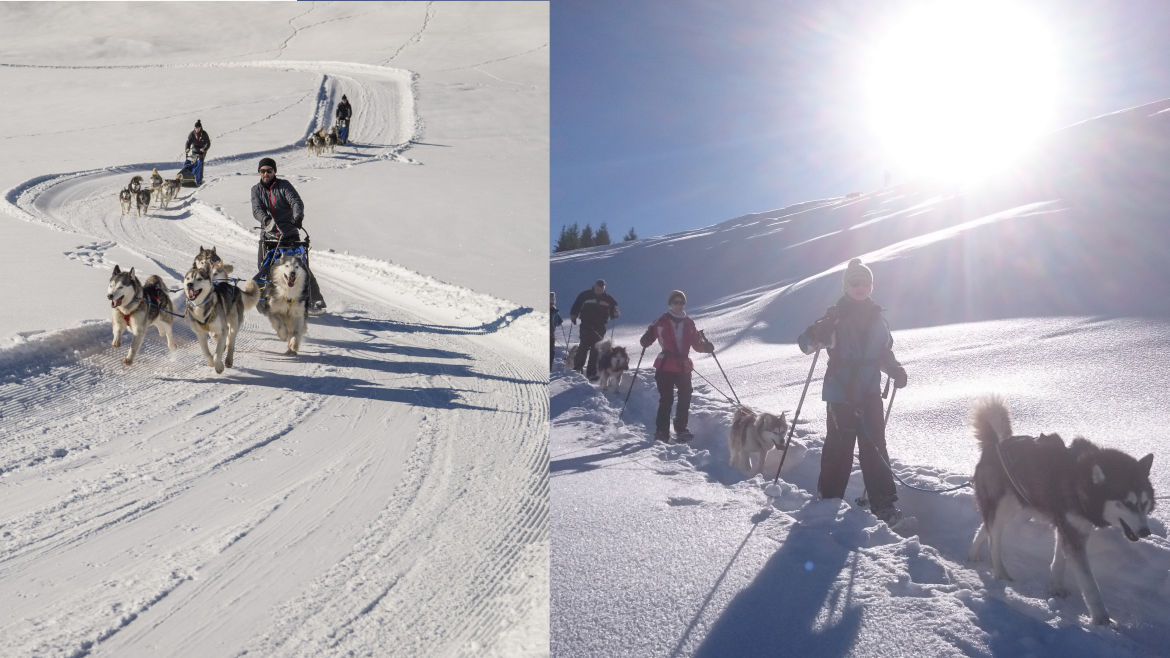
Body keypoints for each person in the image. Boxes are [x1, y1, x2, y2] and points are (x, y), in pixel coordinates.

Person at [797, 258, 908, 525]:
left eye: (865, 282)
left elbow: (883, 352)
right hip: (840, 393)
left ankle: (884, 506)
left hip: (870, 391)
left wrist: (895, 369)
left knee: (875, 447)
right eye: (855, 282)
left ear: (872, 285)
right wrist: (819, 330)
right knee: (839, 448)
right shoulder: (834, 316)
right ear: (846, 286)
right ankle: (828, 501)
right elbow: (805, 344)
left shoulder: (879, 318)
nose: (860, 287)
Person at [251, 157, 326, 312]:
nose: (266, 174)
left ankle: (315, 301)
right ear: (259, 172)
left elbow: (296, 202)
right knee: (264, 269)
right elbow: (257, 209)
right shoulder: (256, 190)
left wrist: (297, 217)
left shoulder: (283, 186)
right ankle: (269, 299)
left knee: (300, 269)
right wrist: (265, 220)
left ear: (274, 172)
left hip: (289, 236)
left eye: (269, 171)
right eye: (263, 171)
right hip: (268, 238)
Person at [639, 290, 714, 442]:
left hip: (683, 366)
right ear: (670, 304)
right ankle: (662, 432)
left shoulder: (689, 323)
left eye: (681, 302)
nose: (679, 305)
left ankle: (681, 429)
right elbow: (646, 341)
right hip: (666, 365)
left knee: (685, 398)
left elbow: (696, 344)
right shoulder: (661, 321)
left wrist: (706, 347)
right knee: (666, 399)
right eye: (676, 302)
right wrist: (646, 337)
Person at [569, 279, 619, 380]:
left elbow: (614, 309)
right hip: (586, 325)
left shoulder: (608, 299)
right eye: (597, 288)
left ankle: (591, 373)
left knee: (595, 350)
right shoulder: (585, 295)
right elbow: (576, 305)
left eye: (601, 288)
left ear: (604, 288)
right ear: (594, 286)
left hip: (600, 327)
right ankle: (577, 368)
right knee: (583, 347)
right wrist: (573, 315)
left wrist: (615, 313)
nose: (599, 290)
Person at [184, 120, 211, 185]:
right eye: (196, 128)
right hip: (195, 150)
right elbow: (188, 142)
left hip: (202, 151)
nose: (197, 129)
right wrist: (187, 148)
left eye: (198, 128)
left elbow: (208, 143)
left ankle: (199, 179)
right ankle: (190, 177)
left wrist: (204, 149)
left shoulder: (204, 134)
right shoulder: (192, 134)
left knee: (200, 163)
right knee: (193, 162)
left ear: (200, 128)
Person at [550, 291, 563, 368]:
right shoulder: (554, 312)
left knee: (551, 352)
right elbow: (559, 322)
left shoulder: (555, 312)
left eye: (552, 303)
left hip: (551, 335)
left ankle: (549, 368)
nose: (551, 305)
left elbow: (558, 322)